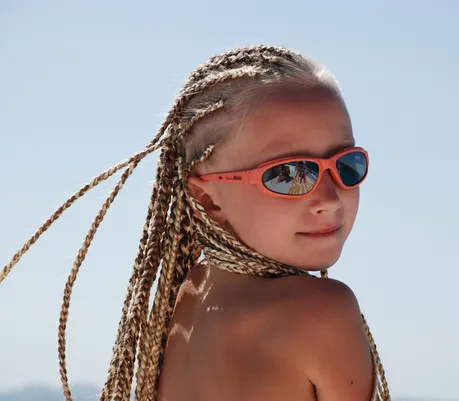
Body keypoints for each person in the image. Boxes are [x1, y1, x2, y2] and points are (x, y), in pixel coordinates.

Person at [0, 45, 390, 401]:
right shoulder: (323, 312)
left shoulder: (184, 300)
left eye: (346, 165)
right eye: (288, 174)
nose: (327, 198)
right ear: (206, 198)